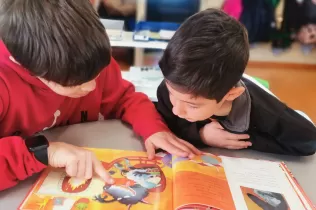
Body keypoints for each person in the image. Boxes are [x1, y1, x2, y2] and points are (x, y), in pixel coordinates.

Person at [0, 0, 200, 191]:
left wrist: (153, 128)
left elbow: (124, 97)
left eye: (97, 75)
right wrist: (45, 152)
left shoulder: (86, 57)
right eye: (75, 84)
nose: (92, 86)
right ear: (26, 67)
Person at [156, 8, 316, 156]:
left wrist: (242, 139)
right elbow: (169, 122)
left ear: (230, 95)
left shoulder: (268, 114)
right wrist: (201, 135)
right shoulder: (174, 87)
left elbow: (309, 142)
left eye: (192, 105)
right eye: (172, 95)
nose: (177, 109)